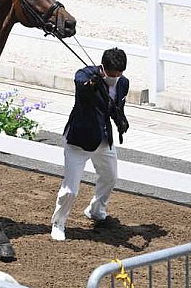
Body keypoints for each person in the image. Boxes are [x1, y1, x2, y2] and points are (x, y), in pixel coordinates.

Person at [50, 47, 129, 241]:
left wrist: (120, 119)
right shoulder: (86, 74)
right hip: (80, 140)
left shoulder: (123, 83)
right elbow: (81, 85)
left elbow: (114, 106)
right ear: (104, 68)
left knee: (110, 176)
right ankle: (58, 223)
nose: (115, 78)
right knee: (71, 189)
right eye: (111, 75)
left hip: (103, 138)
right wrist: (92, 82)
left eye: (118, 75)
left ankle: (96, 209)